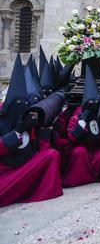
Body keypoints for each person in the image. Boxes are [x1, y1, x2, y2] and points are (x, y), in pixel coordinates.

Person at [0, 55, 63, 207]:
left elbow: (41, 150)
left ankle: (41, 190)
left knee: (51, 155)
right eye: (19, 104)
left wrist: (44, 129)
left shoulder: (29, 118)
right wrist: (17, 132)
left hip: (25, 164)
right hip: (4, 169)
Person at [63, 66, 100, 187]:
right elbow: (72, 138)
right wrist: (82, 122)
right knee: (80, 153)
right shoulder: (76, 117)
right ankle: (79, 178)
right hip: (81, 145)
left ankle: (95, 175)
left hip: (96, 146)